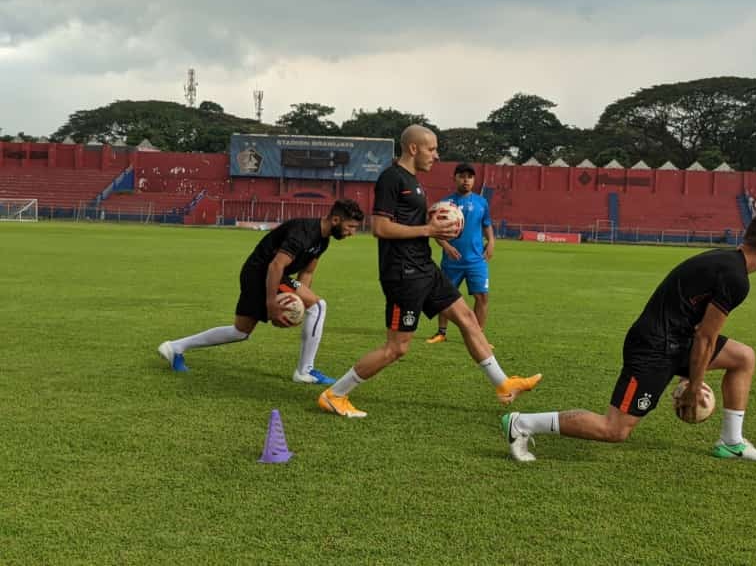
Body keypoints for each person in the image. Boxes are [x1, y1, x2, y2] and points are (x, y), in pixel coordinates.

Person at [500, 213, 756, 462]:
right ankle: (522, 424)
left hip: (676, 340)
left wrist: (690, 372)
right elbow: (705, 338)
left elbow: (699, 325)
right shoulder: (735, 277)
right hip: (654, 348)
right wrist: (694, 385)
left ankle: (731, 441)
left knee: (743, 358)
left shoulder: (727, 262)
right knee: (615, 429)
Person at [317, 125, 541, 419]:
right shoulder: (391, 178)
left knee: (467, 318)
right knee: (397, 348)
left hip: (425, 267)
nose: (436, 156)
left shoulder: (415, 182)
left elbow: (415, 222)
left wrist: (438, 226)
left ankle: (503, 384)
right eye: (432, 149)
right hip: (403, 274)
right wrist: (429, 228)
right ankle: (335, 394)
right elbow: (379, 228)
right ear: (413, 148)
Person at [157, 199, 366, 383]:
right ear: (336, 220)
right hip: (262, 273)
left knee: (240, 332)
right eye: (351, 226)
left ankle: (174, 347)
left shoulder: (323, 240)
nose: (352, 233)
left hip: (263, 273)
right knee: (319, 306)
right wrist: (271, 304)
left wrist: (300, 302)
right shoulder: (303, 233)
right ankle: (305, 371)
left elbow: (307, 274)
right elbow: (275, 266)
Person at [426, 162, 495, 345]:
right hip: (452, 260)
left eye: (470, 177)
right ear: (455, 178)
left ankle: (478, 335)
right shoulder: (445, 204)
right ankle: (441, 332)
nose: (466, 180)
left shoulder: (482, 202)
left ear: (474, 180)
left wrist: (492, 242)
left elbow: (487, 225)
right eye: (462, 176)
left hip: (476, 260)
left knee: (482, 297)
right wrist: (446, 246)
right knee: (445, 297)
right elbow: (433, 230)